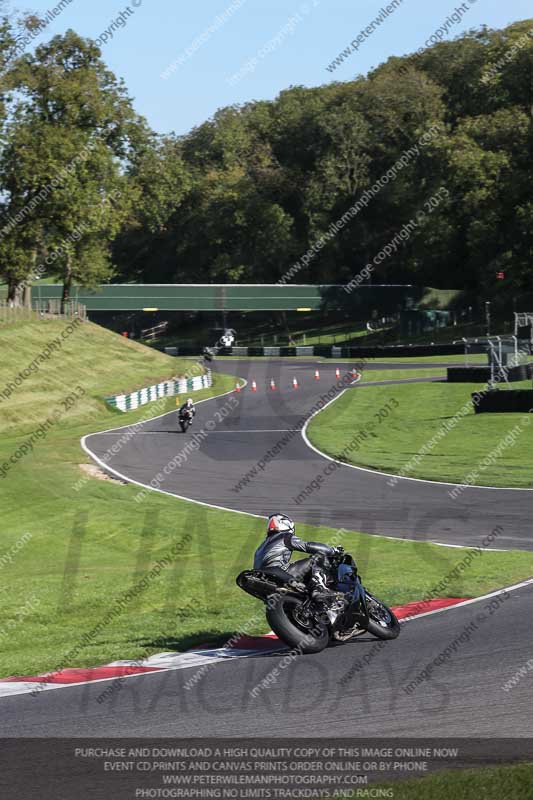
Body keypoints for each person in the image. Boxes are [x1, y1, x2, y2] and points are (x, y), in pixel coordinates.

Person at [253, 513, 342, 600]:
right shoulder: (285, 536)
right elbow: (308, 546)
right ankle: (319, 589)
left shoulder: (261, 546)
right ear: (286, 524)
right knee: (318, 557)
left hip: (261, 577)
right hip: (280, 572)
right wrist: (332, 550)